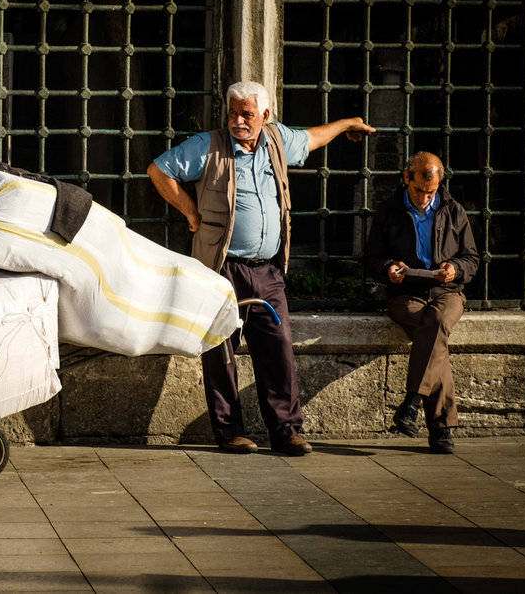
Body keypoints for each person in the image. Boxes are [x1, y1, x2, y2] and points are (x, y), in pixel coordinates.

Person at [148, 80, 375, 456]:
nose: (238, 121)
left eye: (247, 114)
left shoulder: (277, 140)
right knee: (220, 349)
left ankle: (286, 431)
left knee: (278, 346)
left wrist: (347, 124)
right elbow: (159, 170)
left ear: (265, 115)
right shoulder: (208, 146)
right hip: (223, 269)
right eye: (233, 113)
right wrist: (190, 212)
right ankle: (230, 432)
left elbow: (312, 138)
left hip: (267, 271)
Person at [363, 151, 479, 454]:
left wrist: (455, 268)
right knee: (435, 336)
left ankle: (413, 402)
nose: (425, 198)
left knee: (436, 323)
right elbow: (372, 258)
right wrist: (389, 268)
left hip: (447, 293)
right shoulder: (389, 211)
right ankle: (440, 428)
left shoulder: (453, 210)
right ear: (406, 178)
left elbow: (471, 258)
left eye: (431, 192)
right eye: (418, 190)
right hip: (406, 295)